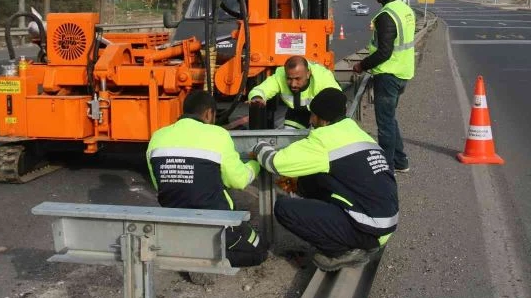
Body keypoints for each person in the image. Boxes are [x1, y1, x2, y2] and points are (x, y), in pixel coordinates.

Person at [252, 88, 398, 272]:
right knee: (319, 175)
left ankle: (343, 252)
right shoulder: (358, 134)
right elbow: (330, 178)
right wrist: (300, 185)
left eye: (313, 116)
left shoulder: (324, 140)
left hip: (369, 229)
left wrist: (259, 145)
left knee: (284, 208)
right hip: (385, 223)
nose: (311, 121)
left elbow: (275, 163)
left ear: (324, 119)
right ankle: (351, 239)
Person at [146, 90, 267, 267]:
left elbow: (159, 183)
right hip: (217, 223)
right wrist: (256, 164)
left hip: (175, 222)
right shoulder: (217, 134)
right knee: (260, 250)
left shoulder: (157, 136)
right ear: (209, 113)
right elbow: (239, 180)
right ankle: (207, 258)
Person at [353, 0, 415, 173]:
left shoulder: (386, 15)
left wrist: (362, 65)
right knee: (390, 118)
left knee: (385, 124)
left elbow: (384, 52)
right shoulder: (405, 10)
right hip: (403, 72)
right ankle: (400, 161)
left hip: (388, 75)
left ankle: (386, 169)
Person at [248, 56, 341, 129]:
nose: (293, 84)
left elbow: (337, 100)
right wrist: (257, 97)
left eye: (297, 79)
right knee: (288, 138)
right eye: (289, 79)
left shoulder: (322, 77)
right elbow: (261, 90)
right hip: (297, 113)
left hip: (321, 115)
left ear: (308, 74)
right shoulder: (280, 75)